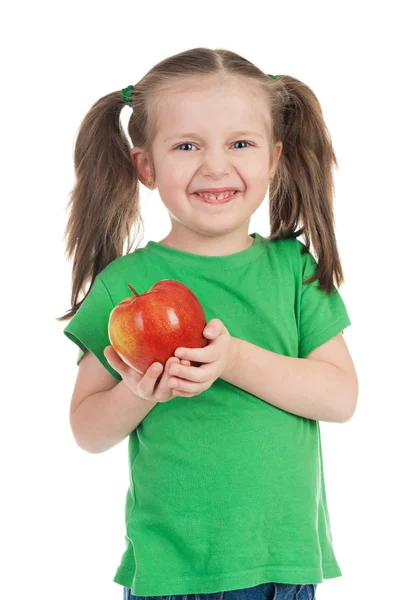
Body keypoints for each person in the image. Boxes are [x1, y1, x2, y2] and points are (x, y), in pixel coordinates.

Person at [57, 47, 359, 600]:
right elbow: (87, 429)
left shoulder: (293, 271)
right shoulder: (125, 284)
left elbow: (340, 397)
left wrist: (235, 358)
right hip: (173, 572)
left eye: (240, 144)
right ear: (145, 166)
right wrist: (140, 392)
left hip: (282, 566)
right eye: (187, 146)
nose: (216, 166)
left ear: (273, 160)